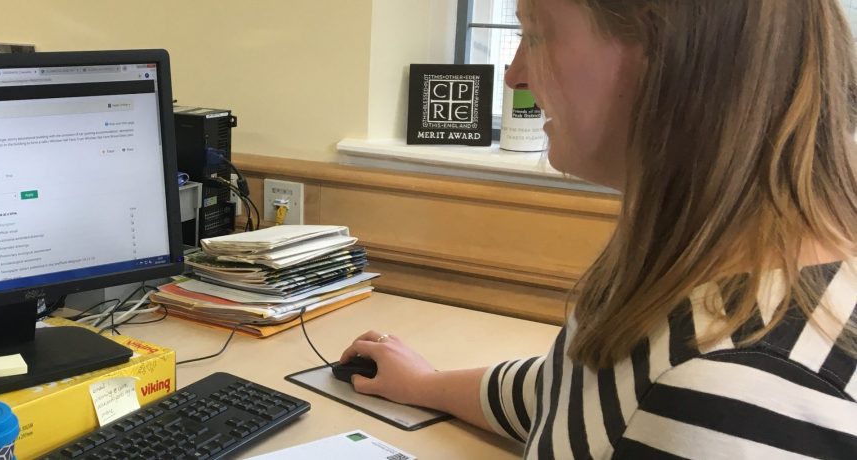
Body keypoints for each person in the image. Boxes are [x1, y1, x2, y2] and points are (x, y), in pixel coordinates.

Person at [341, 0, 857, 457]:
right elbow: (577, 397)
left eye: (537, 34)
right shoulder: (687, 262)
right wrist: (427, 384)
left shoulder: (733, 392)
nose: (515, 74)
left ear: (662, 53)